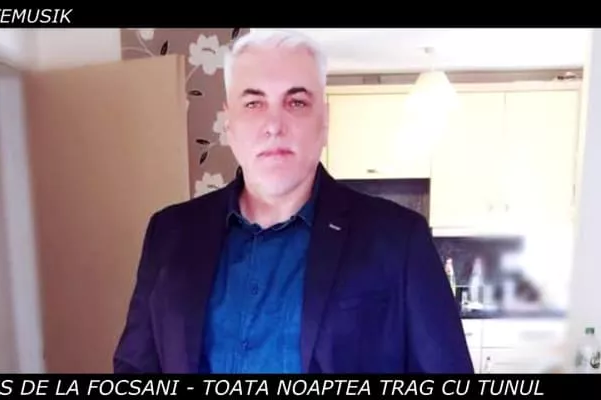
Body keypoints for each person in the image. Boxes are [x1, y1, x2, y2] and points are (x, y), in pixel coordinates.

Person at [113, 29, 474, 374]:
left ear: (324, 121)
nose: (274, 124)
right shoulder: (170, 232)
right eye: (253, 103)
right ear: (229, 123)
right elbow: (135, 367)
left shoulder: (399, 239)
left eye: (296, 102)